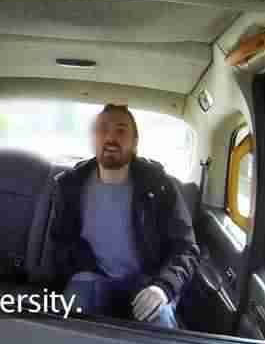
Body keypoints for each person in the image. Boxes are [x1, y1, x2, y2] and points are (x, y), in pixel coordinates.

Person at [49, 104, 199, 328]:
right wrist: (80, 267)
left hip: (147, 282)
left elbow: (186, 248)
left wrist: (163, 287)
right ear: (93, 139)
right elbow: (60, 241)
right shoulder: (70, 185)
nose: (111, 138)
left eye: (121, 130)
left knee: (161, 326)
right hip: (92, 278)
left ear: (135, 142)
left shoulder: (159, 186)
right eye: (103, 129)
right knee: (67, 322)